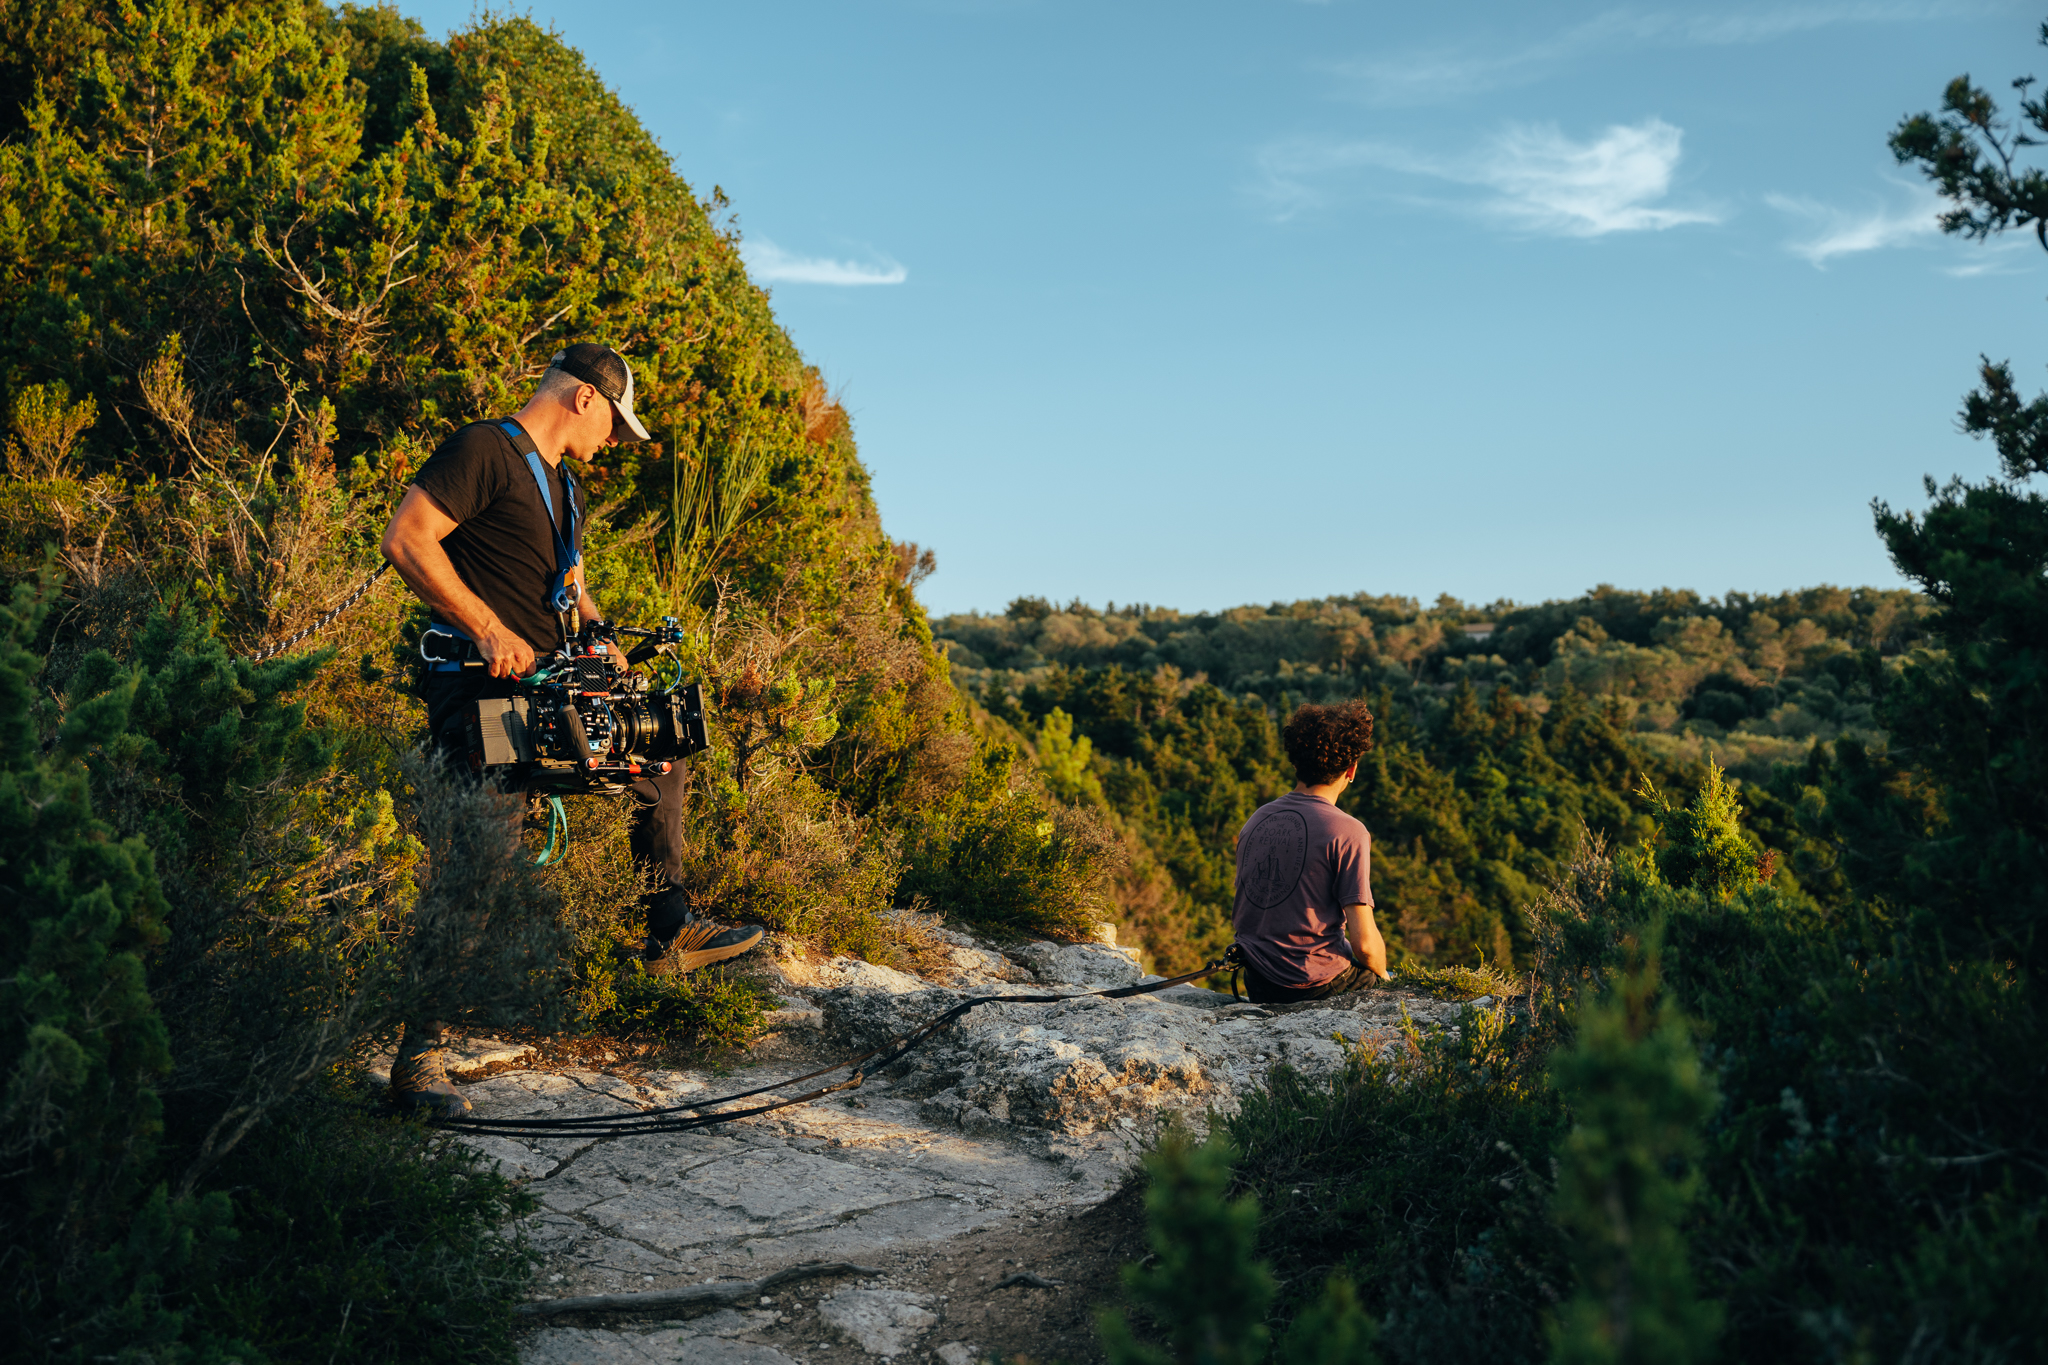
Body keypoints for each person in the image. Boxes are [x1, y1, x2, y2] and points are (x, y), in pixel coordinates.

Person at [377, 343, 764, 1116]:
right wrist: (487, 628)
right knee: (482, 860)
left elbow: (570, 581)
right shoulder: (482, 449)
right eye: (614, 426)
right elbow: (408, 538)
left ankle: (668, 930)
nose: (615, 442)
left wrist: (599, 633)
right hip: (480, 696)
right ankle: (419, 1060)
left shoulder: (564, 483)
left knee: (659, 756)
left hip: (554, 690)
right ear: (585, 398)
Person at [1230, 700, 1391, 1004]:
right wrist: (1384, 980)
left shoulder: (1257, 819)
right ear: (1352, 770)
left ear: (1296, 764)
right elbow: (1366, 946)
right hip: (1315, 984)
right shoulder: (1349, 831)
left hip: (1258, 980)